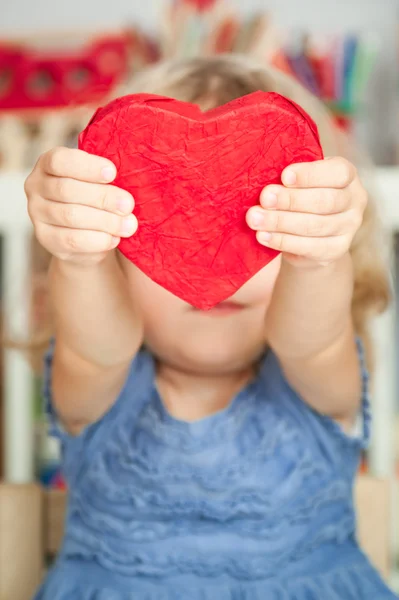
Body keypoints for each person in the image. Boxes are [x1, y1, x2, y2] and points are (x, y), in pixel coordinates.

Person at [25, 55, 396, 599]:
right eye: (172, 227)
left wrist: (316, 258)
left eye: (259, 229)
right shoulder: (98, 388)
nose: (211, 262)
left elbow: (312, 339)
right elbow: (96, 346)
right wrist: (82, 257)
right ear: (118, 262)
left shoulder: (320, 382)